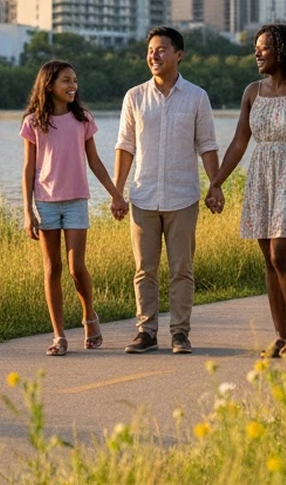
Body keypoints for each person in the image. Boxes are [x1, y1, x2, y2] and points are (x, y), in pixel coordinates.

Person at [207, 24, 286, 359]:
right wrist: (216, 181)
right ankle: (280, 336)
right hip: (261, 175)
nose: (257, 53)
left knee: (281, 255)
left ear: (282, 51)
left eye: (264, 47)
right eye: (256, 47)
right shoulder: (252, 91)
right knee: (268, 260)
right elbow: (239, 142)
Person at [114, 26, 220, 355]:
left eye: (161, 50)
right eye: (150, 50)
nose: (154, 56)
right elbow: (125, 146)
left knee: (181, 270)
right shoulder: (134, 96)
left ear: (179, 55)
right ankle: (146, 331)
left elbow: (207, 145)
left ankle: (180, 333)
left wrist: (215, 186)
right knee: (144, 270)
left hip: (183, 197)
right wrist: (118, 191)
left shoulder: (197, 97)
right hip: (143, 196)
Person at [21, 60, 128, 356]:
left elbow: (94, 161)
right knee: (52, 267)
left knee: (75, 266)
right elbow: (29, 168)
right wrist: (28, 211)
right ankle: (59, 335)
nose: (73, 86)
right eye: (66, 81)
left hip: (77, 201)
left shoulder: (82, 120)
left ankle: (89, 317)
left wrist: (116, 195)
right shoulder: (33, 122)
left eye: (75, 81)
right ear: (49, 85)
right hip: (45, 203)